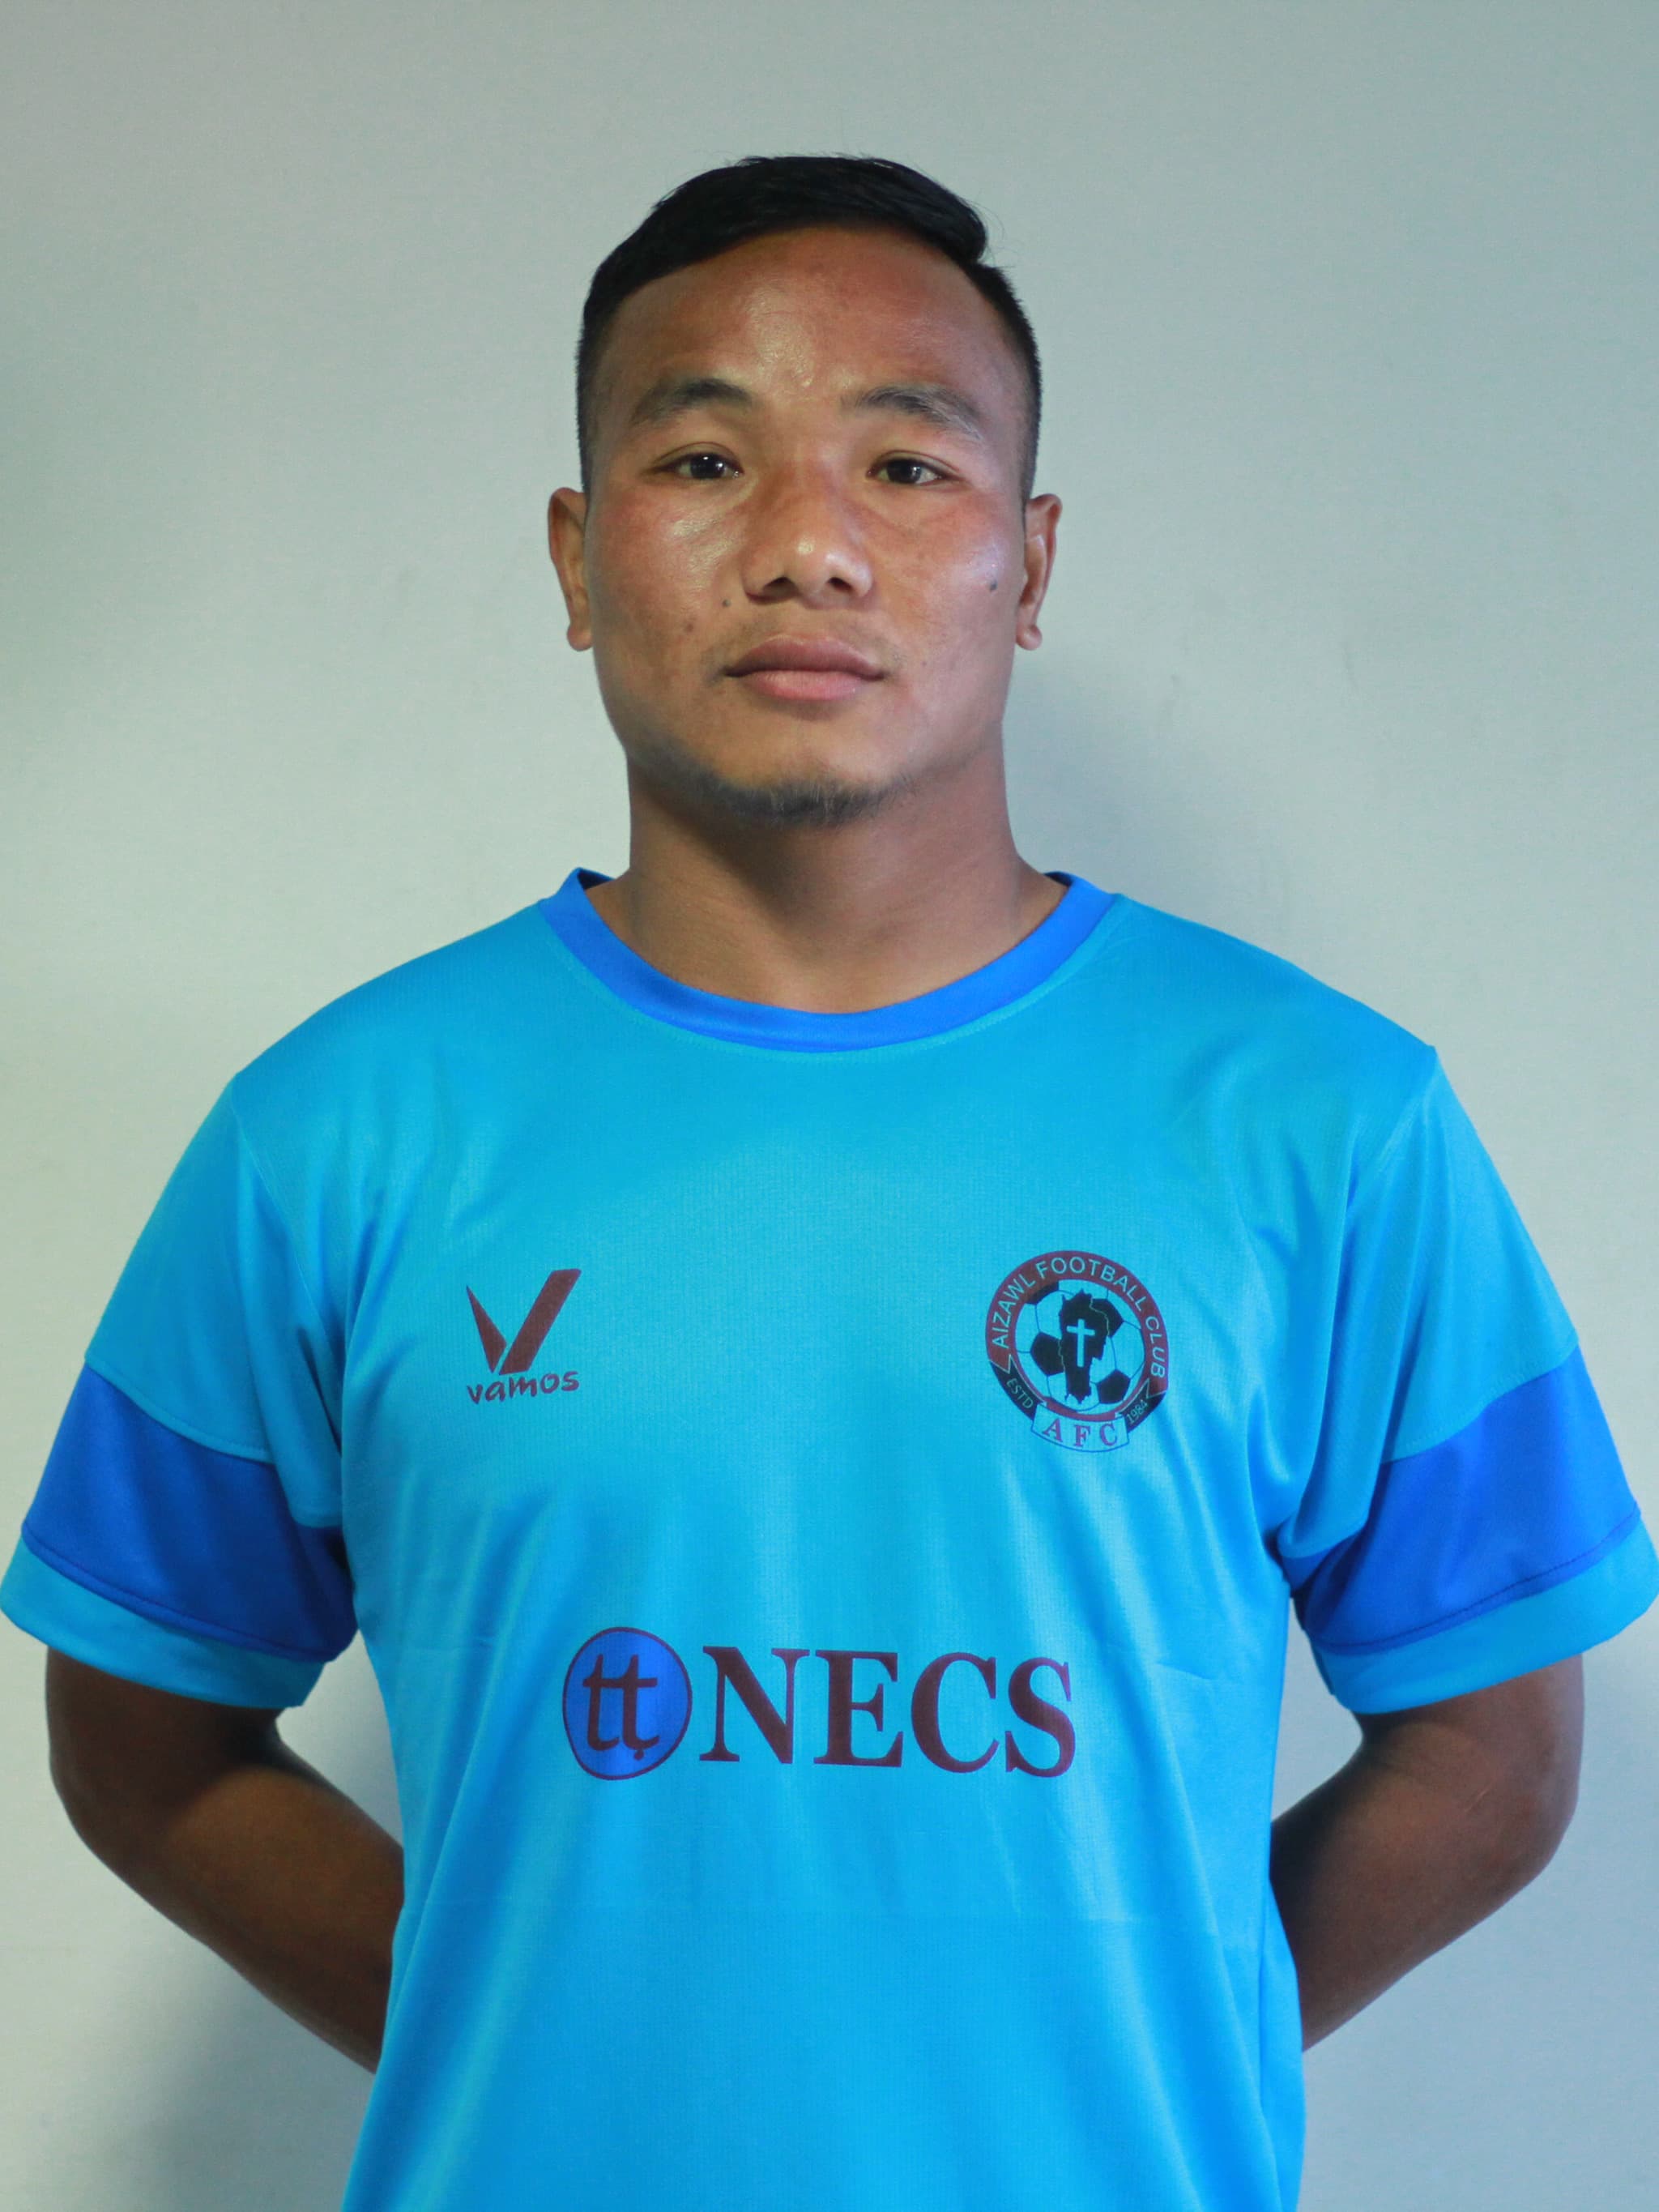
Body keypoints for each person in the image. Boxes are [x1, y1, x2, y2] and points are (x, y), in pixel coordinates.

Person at [2, 152, 1653, 2212]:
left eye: (907, 466)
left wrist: (1161, 2045)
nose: (805, 548)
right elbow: (142, 1743)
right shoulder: (334, 1132)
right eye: (704, 460)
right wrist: (505, 2044)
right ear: (578, 556)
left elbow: (1493, 1751)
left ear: (1028, 562)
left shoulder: (1326, 1123)